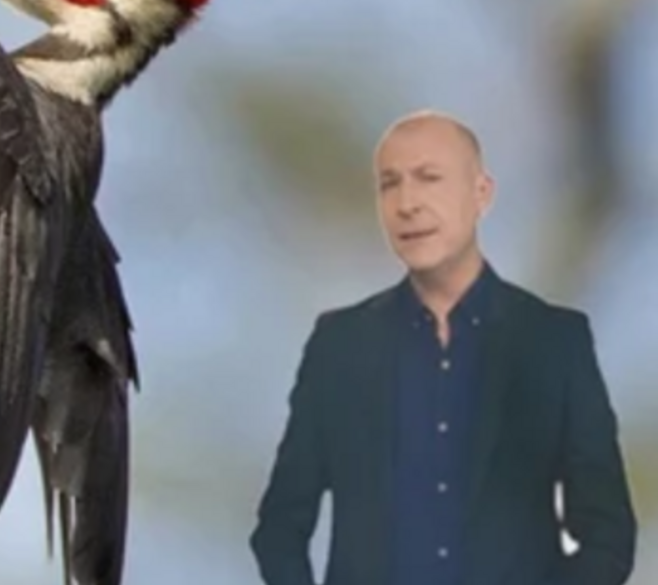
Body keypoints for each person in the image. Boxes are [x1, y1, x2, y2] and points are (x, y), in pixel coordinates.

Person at [249, 109, 637, 585]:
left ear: (482, 194)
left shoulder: (554, 340)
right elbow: (280, 529)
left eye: (428, 178)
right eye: (389, 184)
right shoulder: (340, 346)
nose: (406, 202)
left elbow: (608, 532)